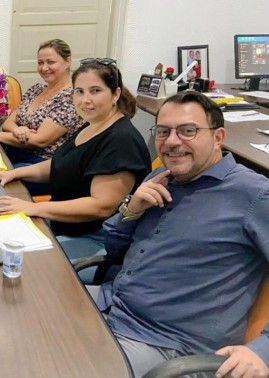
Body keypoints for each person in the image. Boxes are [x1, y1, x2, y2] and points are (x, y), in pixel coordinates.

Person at [98, 91, 269, 377]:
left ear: (218, 137)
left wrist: (263, 350)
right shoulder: (159, 178)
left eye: (188, 131)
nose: (172, 141)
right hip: (110, 305)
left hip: (166, 345)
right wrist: (130, 210)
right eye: (163, 131)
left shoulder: (255, 195)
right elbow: (112, 252)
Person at [0, 58, 150, 272]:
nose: (85, 100)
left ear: (115, 94)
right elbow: (60, 163)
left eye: (95, 91)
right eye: (79, 91)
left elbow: (101, 206)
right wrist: (13, 173)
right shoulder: (91, 125)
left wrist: (34, 207)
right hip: (63, 225)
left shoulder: (121, 140)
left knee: (10, 261)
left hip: (96, 240)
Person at [0, 39, 84, 174]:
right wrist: (20, 130)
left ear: (68, 61)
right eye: (40, 63)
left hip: (45, 163)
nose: (44, 68)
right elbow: (7, 123)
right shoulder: (36, 90)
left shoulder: (71, 98)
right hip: (18, 149)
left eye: (51, 62)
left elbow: (40, 140)